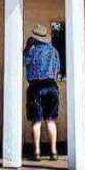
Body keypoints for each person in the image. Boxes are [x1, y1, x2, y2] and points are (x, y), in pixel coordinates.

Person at [24, 24, 61, 161]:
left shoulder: (31, 51)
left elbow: (23, 61)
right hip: (52, 86)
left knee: (37, 121)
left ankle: (37, 152)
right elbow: (57, 70)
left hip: (35, 87)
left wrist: (27, 47)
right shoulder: (54, 51)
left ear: (35, 38)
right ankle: (53, 152)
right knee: (50, 120)